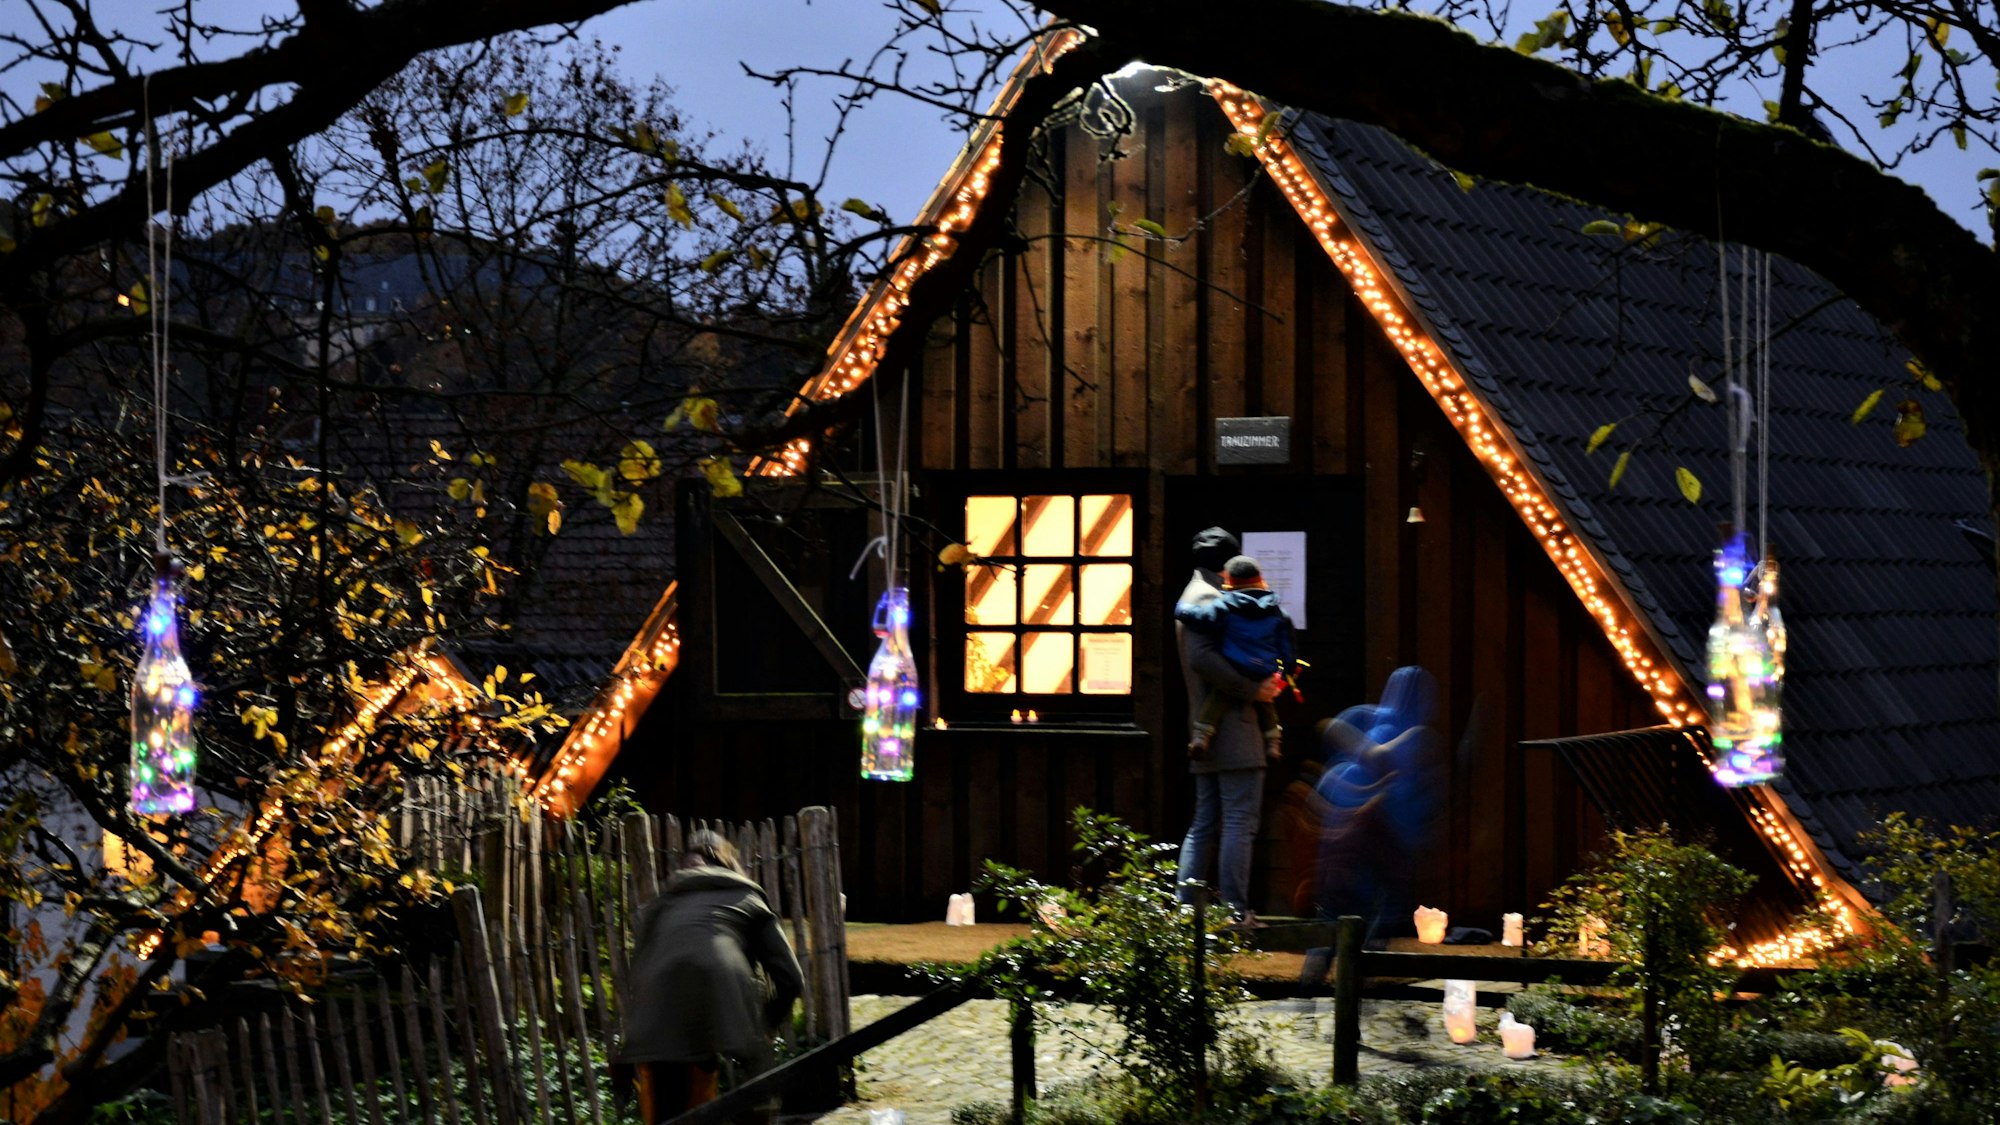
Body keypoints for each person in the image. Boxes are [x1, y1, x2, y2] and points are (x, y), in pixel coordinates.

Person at [619, 830, 804, 1124]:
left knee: (670, 1113)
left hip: (654, 1015)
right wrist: (766, 1026)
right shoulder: (745, 895)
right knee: (756, 1086)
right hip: (722, 991)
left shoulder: (661, 906)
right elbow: (791, 978)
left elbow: (638, 977)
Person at [1175, 527, 1286, 924]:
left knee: (1206, 820)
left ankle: (1187, 911)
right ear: (1228, 565)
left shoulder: (1198, 595)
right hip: (1232, 728)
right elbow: (1203, 659)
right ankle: (1235, 912)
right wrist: (1253, 689)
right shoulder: (1208, 599)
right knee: (1239, 821)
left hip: (1208, 728)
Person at [1175, 554, 1296, 759]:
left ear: (1229, 581)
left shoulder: (1226, 606)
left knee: (1217, 698)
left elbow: (1201, 617)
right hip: (1263, 668)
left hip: (1236, 664)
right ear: (1261, 578)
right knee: (1266, 702)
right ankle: (1273, 743)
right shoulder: (1278, 613)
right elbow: (1289, 651)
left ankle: (1201, 736)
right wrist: (1284, 675)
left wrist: (1181, 609)